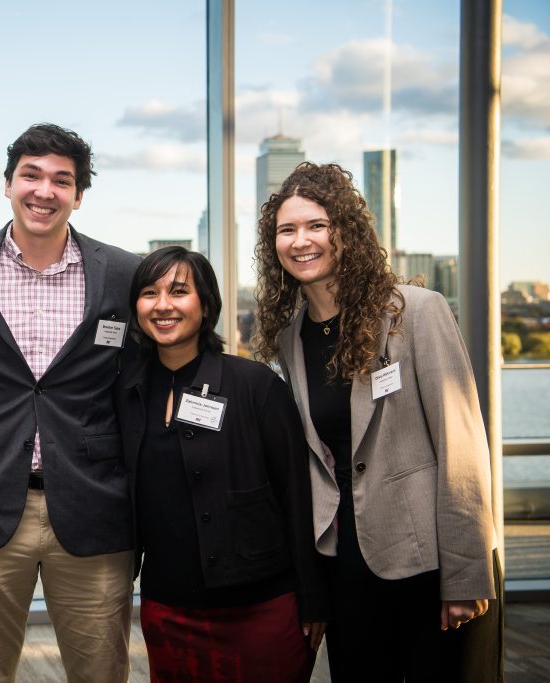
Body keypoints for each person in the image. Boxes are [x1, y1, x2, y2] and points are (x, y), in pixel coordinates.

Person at [254, 161, 501, 682]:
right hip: (343, 565)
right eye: (287, 230)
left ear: (345, 230)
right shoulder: (289, 339)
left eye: (316, 225)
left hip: (424, 561)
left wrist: (465, 574)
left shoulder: (416, 312)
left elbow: (462, 449)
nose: (301, 241)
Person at [0, 122, 140, 682]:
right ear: (8, 183)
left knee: (101, 675)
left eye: (61, 180)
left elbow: (138, 382)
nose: (44, 190)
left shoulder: (122, 271)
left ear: (79, 196)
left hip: (94, 509)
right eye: (31, 175)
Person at [114, 247, 327, 682]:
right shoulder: (127, 391)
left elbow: (297, 494)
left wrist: (313, 596)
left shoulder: (255, 385)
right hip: (167, 607)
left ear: (206, 304)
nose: (163, 305)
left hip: (260, 607)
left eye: (179, 291)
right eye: (149, 293)